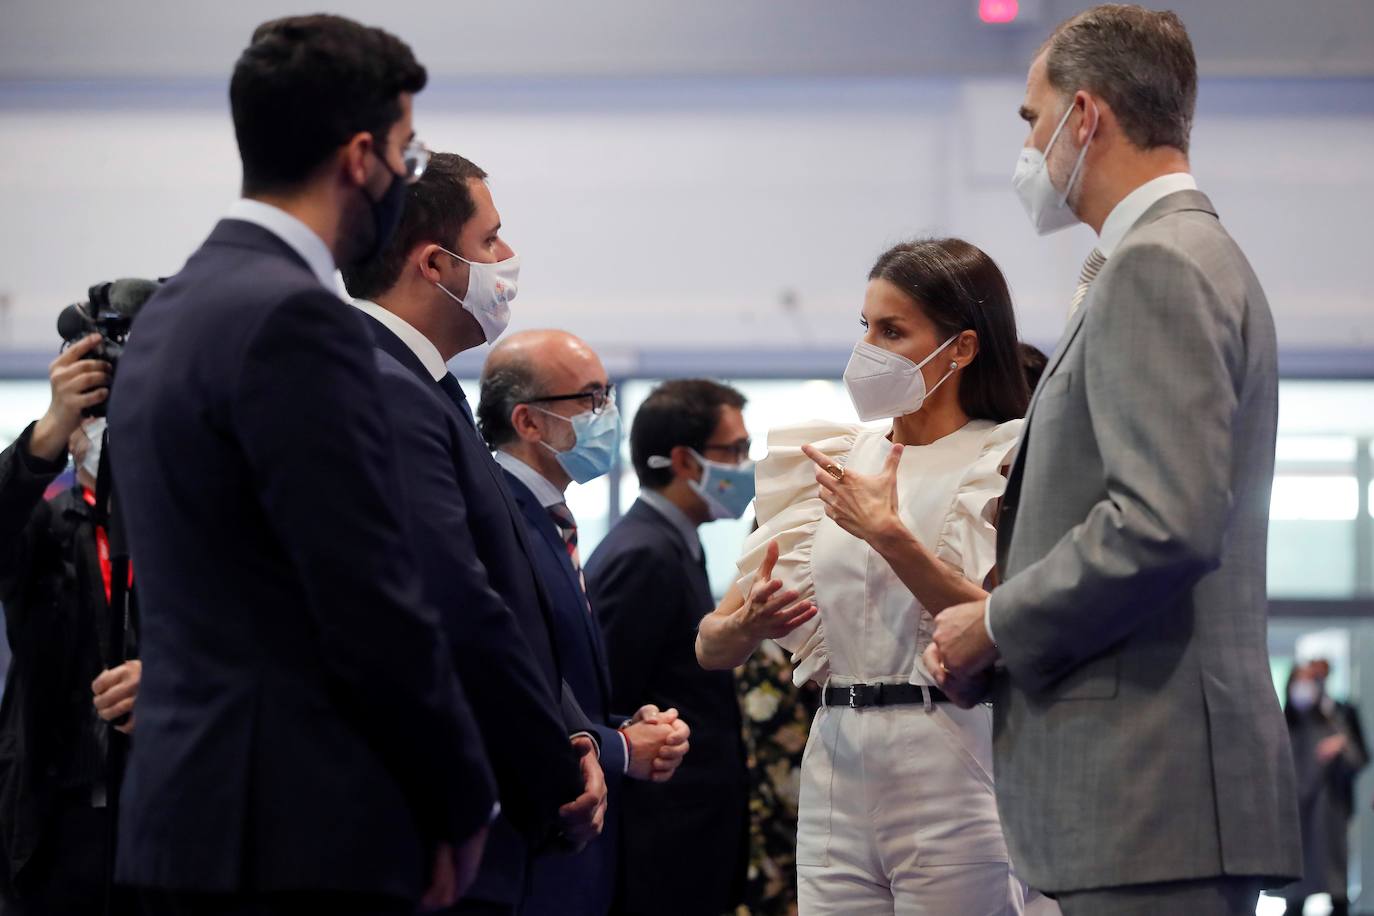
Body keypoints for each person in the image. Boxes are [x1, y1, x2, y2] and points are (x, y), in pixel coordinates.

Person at [108, 16, 495, 916]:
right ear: (362, 157)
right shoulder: (296, 318)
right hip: (298, 830)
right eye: (408, 149)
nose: (409, 172)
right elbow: (367, 592)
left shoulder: (174, 307)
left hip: (180, 818)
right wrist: (460, 796)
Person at [924, 5, 1302, 914]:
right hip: (1156, 800)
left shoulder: (1157, 264)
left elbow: (1162, 523)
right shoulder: (1180, 254)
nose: (1028, 146)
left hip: (1148, 797)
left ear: (1084, 117)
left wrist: (998, 623)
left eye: (1030, 119)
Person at [698, 238, 1032, 915]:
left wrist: (889, 535)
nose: (869, 349)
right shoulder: (829, 460)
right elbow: (711, 644)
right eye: (866, 328)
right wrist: (748, 623)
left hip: (950, 758)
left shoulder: (1006, 457)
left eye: (892, 330)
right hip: (835, 760)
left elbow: (1006, 627)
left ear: (962, 348)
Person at [339, 154, 621, 916]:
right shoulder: (384, 384)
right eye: (492, 240)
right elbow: (457, 606)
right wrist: (557, 776)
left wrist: (576, 737)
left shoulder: (423, 383)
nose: (507, 259)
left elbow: (508, 605)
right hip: (437, 812)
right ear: (436, 264)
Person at [478, 329, 693, 916]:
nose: (609, 414)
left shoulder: (550, 518)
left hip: (577, 855)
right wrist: (620, 748)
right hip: (527, 850)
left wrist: (629, 726)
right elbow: (505, 687)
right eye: (591, 399)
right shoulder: (495, 520)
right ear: (528, 421)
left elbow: (561, 675)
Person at [584, 379, 753, 916]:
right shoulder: (644, 554)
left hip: (689, 827)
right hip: (659, 833)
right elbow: (603, 697)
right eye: (736, 451)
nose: (747, 467)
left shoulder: (676, 541)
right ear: (684, 459)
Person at [0, 338, 142, 916]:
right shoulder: (42, 524)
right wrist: (47, 432)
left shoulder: (193, 529)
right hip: (50, 823)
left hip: (164, 817)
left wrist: (175, 682)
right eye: (93, 412)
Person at [1283, 660, 1368, 916]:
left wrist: (1341, 744)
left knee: (1334, 881)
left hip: (1330, 811)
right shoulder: (1286, 722)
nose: (1306, 687)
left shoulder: (1338, 716)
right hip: (1297, 815)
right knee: (1296, 892)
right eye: (1302, 681)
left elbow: (1359, 757)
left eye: (1313, 680)